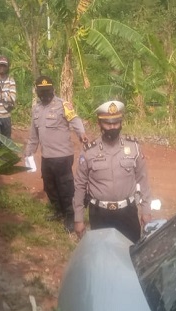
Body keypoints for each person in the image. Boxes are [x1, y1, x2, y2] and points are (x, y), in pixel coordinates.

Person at [73, 100, 152, 243]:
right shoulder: (89, 151)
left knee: (130, 253)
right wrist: (78, 218)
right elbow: (79, 185)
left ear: (121, 123)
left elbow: (143, 180)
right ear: (99, 124)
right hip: (100, 214)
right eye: (108, 124)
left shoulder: (133, 147)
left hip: (127, 212)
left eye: (116, 123)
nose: (112, 127)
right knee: (103, 255)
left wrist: (146, 210)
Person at [24, 76, 88, 232]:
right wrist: (29, 151)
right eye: (41, 92)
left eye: (47, 92)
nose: (45, 95)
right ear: (37, 92)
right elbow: (34, 134)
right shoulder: (36, 109)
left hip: (62, 155)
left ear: (53, 90)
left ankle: (70, 215)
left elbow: (75, 120)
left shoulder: (63, 105)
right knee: (50, 185)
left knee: (65, 187)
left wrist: (82, 134)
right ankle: (58, 211)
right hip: (47, 156)